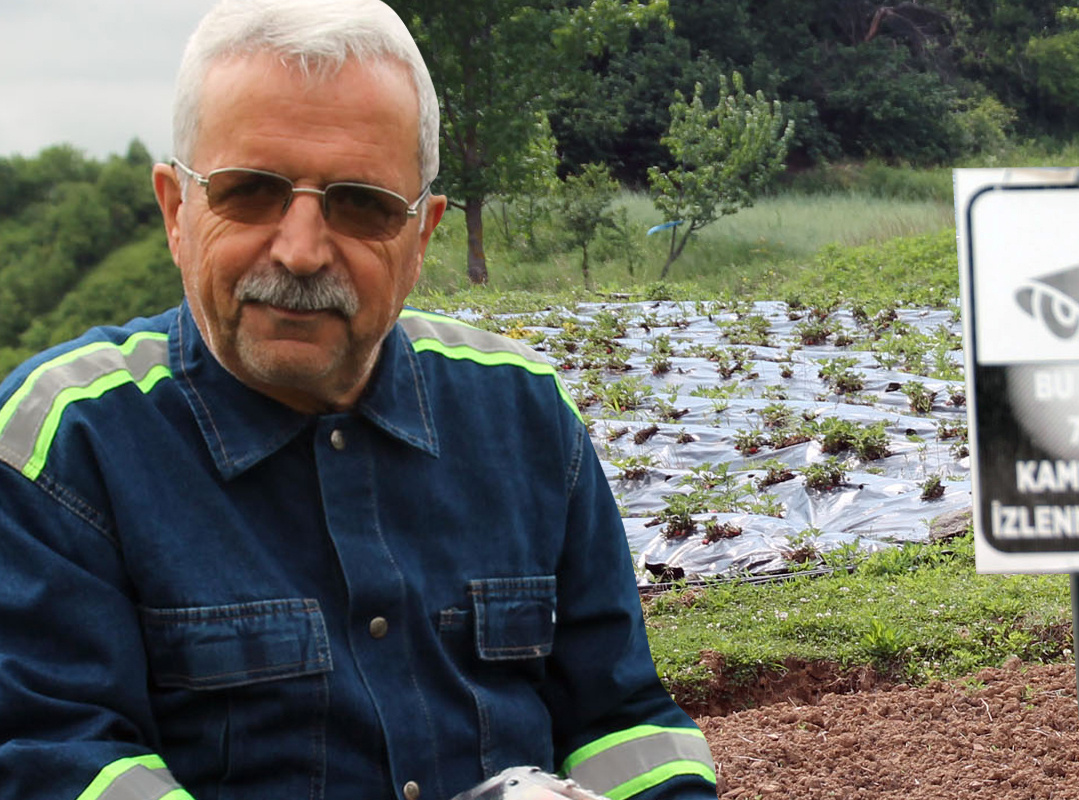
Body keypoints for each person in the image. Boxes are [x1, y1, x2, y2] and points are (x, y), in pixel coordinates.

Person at [0, 2, 717, 799]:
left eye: (362, 205)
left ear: (421, 237)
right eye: (251, 193)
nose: (301, 251)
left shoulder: (524, 415)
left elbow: (622, 718)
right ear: (176, 211)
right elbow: (53, 756)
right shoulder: (62, 443)